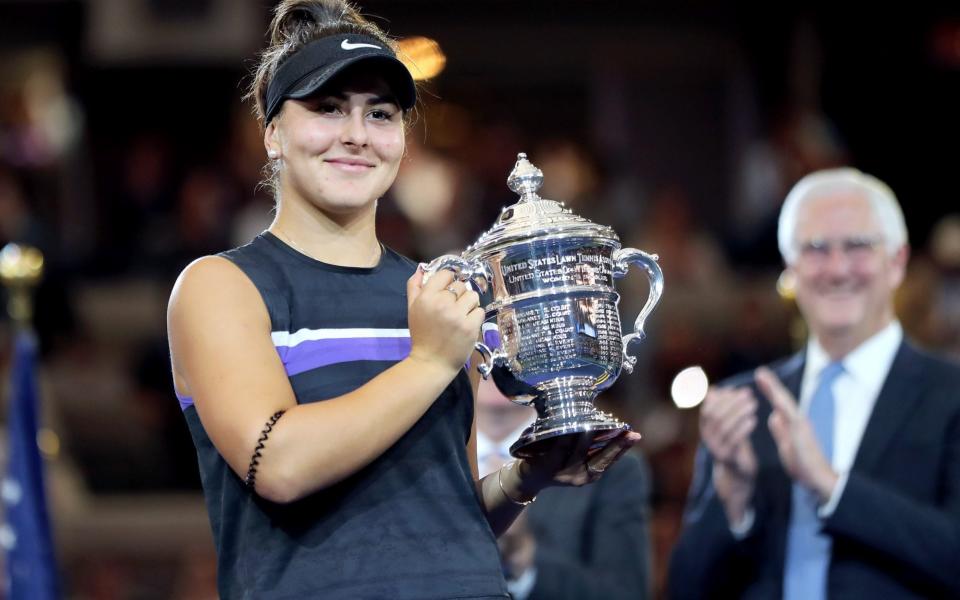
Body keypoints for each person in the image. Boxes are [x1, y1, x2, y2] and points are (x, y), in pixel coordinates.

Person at [165, 1, 640, 598]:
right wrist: (430, 361)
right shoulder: (221, 286)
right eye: (327, 108)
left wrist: (525, 476)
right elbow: (279, 466)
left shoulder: (439, 293)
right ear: (272, 133)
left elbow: (446, 516)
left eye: (380, 113)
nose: (357, 135)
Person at [668, 168, 960, 599]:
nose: (838, 269)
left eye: (858, 246)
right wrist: (733, 500)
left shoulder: (950, 395)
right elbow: (686, 589)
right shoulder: (745, 404)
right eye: (816, 248)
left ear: (897, 262)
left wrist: (831, 487)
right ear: (790, 269)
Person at [475, 377, 652, 600]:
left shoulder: (605, 464)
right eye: (481, 340)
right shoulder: (422, 460)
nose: (491, 347)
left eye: (503, 339)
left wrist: (524, 559)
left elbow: (626, 593)